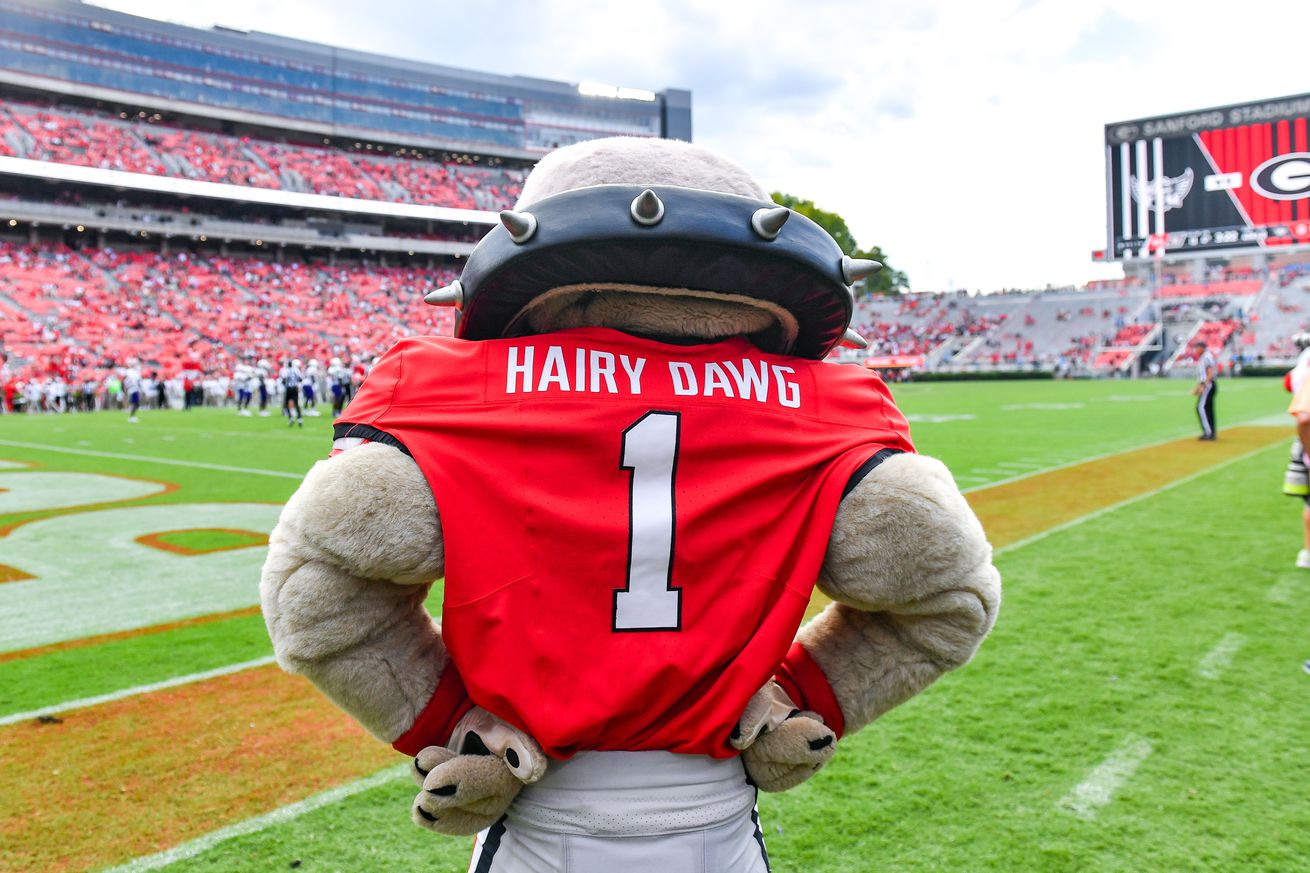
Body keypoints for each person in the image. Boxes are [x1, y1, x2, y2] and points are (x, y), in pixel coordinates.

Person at [1191, 339, 1217, 440]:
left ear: (1201, 348)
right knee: (1207, 409)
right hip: (1209, 384)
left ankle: (1208, 432)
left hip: (1208, 385)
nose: (1195, 350)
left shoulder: (1206, 357)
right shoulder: (1205, 357)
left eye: (1197, 348)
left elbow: (1209, 373)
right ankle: (1211, 431)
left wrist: (1203, 385)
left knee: (1201, 408)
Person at [280, 358, 304, 428]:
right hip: (295, 388)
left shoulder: (285, 370)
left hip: (289, 388)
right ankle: (299, 418)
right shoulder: (296, 370)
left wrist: (285, 384)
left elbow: (284, 380)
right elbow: (300, 379)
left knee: (287, 403)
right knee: (296, 403)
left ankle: (291, 417)